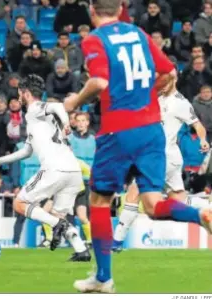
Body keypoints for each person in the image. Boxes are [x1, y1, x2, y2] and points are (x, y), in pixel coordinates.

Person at [63, 0, 212, 292]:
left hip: (118, 130)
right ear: (120, 9)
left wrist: (74, 102)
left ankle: (103, 277)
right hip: (151, 130)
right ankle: (201, 214)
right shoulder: (139, 34)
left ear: (92, 11)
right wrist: (144, 93)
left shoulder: (95, 39)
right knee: (153, 205)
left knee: (100, 201)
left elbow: (99, 82)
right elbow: (169, 72)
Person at [0, 74, 91, 262]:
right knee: (58, 215)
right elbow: (27, 150)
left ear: (25, 93)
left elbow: (57, 106)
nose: (18, 96)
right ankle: (81, 250)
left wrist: (66, 124)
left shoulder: (34, 109)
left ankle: (57, 225)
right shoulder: (38, 121)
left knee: (20, 203)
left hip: (55, 168)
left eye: (19, 92)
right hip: (73, 170)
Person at [112, 78, 211, 251]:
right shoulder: (155, 97)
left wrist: (203, 140)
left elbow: (198, 125)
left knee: (135, 191)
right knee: (178, 199)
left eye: (164, 81)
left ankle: (116, 241)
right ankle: (206, 207)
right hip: (168, 157)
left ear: (174, 80)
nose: (160, 85)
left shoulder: (180, 102)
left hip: (162, 156)